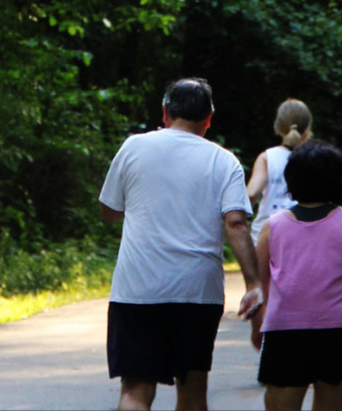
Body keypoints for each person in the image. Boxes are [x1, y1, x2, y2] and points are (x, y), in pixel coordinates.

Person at [99, 78, 262, 410]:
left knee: (135, 390)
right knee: (192, 390)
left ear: (164, 112)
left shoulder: (133, 147)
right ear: (208, 119)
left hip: (138, 289)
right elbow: (236, 223)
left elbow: (110, 211)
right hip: (197, 292)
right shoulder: (225, 161)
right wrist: (254, 283)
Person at [250, 140, 342, 410]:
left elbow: (259, 286)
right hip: (341, 333)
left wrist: (257, 326)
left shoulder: (272, 228)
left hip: (286, 333)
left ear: (291, 180)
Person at [247, 99, 313, 244]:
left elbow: (251, 194)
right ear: (307, 128)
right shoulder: (314, 157)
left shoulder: (267, 157)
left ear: (279, 127)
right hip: (302, 236)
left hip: (266, 235)